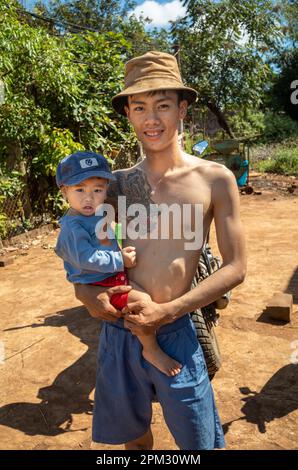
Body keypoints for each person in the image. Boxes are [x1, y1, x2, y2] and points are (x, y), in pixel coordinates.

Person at [74, 51, 247, 450]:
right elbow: (88, 260)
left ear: (182, 108)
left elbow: (236, 267)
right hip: (119, 334)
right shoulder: (111, 187)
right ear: (128, 115)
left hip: (175, 329)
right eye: (140, 107)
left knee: (199, 441)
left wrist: (168, 311)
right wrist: (85, 294)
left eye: (163, 105)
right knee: (134, 442)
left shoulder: (214, 180)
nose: (151, 119)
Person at [55, 151, 183, 377]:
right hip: (100, 281)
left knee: (146, 294)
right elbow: (86, 258)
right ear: (64, 191)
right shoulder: (73, 226)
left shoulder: (94, 214)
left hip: (107, 274)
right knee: (143, 302)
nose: (89, 197)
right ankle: (150, 350)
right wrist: (119, 259)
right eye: (79, 190)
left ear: (106, 189)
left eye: (97, 190)